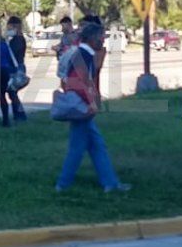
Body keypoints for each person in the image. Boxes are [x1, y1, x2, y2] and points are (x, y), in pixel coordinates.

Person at [55, 23, 130, 193]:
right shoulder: (85, 56)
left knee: (97, 146)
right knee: (77, 148)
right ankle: (63, 184)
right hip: (83, 109)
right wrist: (91, 103)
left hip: (82, 107)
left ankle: (110, 183)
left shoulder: (78, 53)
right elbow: (78, 82)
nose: (102, 40)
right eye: (100, 37)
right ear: (90, 38)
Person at [6, 16, 28, 121]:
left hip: (17, 67)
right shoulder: (19, 39)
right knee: (12, 93)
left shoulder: (17, 40)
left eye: (9, 27)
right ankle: (18, 113)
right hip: (19, 65)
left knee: (12, 92)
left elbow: (13, 54)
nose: (8, 30)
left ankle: (19, 114)